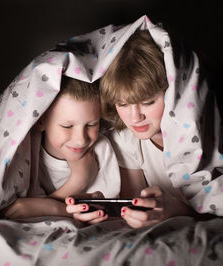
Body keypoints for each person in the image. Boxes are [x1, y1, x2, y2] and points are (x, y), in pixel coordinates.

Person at [66, 30, 199, 228]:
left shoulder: (197, 136)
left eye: (148, 102)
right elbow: (135, 207)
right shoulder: (127, 139)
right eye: (123, 104)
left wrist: (177, 210)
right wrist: (106, 209)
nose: (135, 118)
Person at [4, 77, 120, 219]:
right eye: (67, 126)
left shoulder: (102, 149)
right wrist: (79, 180)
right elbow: (19, 210)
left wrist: (44, 207)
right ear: (40, 121)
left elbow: (102, 211)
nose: (81, 139)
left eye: (91, 125)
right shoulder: (29, 148)